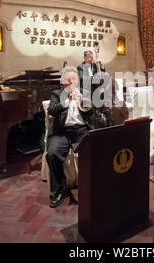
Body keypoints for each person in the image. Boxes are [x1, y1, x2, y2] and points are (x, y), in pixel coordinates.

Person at [46, 66, 93, 208]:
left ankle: (94, 182)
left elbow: (90, 113)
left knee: (96, 149)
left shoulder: (84, 93)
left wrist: (83, 101)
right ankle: (62, 188)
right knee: (52, 154)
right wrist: (66, 100)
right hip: (62, 132)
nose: (72, 82)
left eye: (74, 79)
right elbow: (52, 110)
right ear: (63, 82)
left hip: (81, 130)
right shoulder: (57, 94)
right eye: (68, 79)